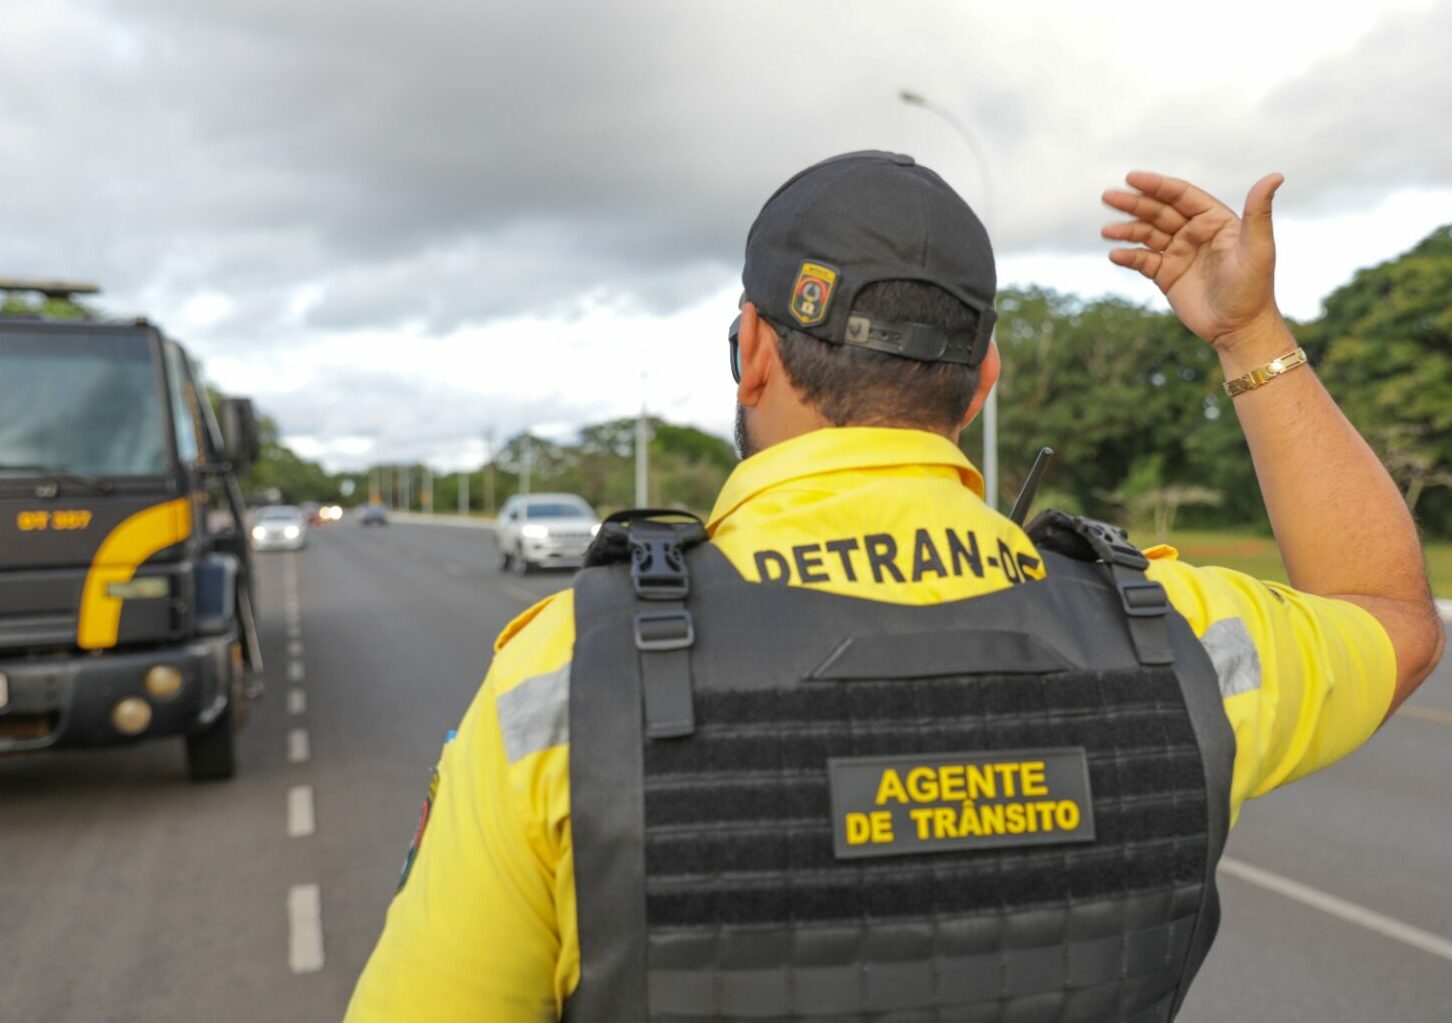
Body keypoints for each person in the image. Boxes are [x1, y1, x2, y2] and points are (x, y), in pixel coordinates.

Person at [345, 152, 1443, 1022]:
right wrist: (1249, 331)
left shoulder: (563, 677)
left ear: (754, 351)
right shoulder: (1177, 637)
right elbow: (1393, 614)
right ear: (984, 381)